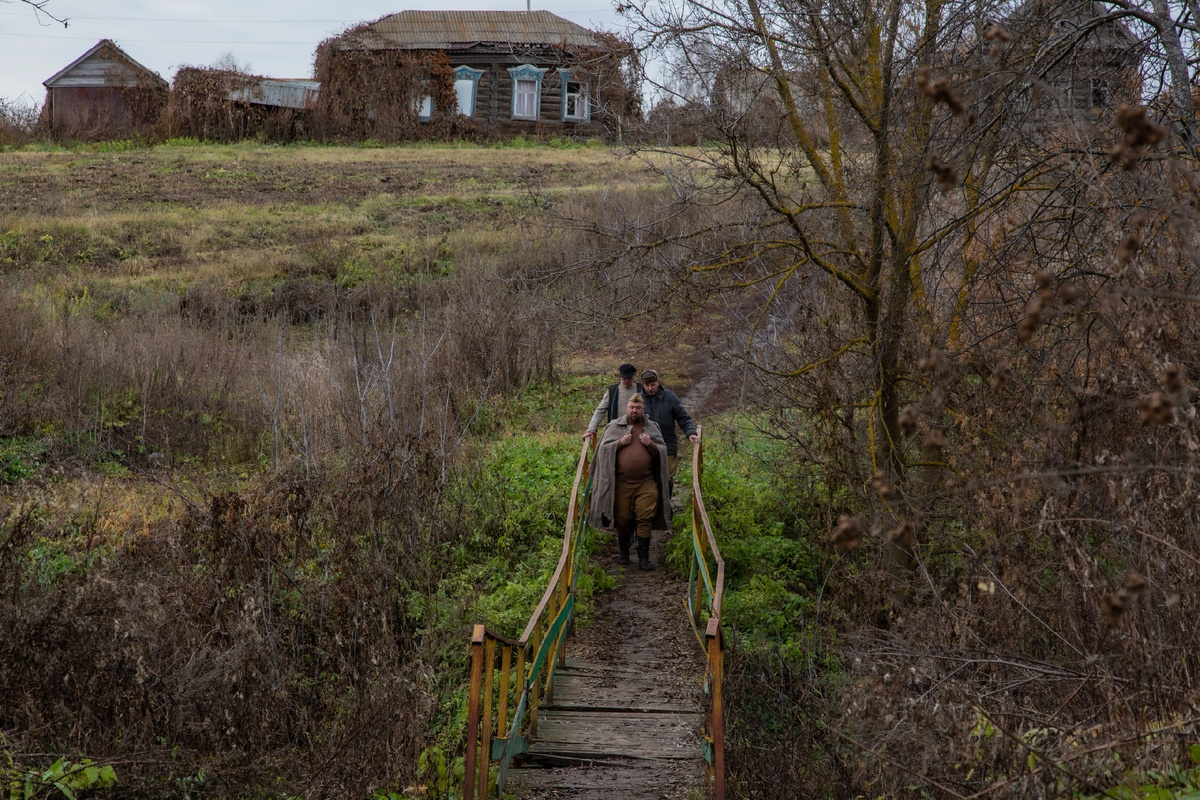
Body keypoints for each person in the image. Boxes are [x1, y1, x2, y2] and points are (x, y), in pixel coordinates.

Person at [589, 394, 671, 571]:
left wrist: (649, 444)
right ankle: (624, 554)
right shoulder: (614, 426)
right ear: (626, 408)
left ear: (643, 409)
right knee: (623, 518)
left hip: (646, 482)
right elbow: (603, 451)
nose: (634, 411)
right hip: (621, 483)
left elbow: (662, 453)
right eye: (632, 407)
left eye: (638, 408)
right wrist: (619, 443)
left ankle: (644, 558)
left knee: (645, 518)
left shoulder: (652, 427)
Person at [639, 369, 700, 480]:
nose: (650, 388)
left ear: (658, 382)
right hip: (645, 447)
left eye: (652, 384)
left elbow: (683, 417)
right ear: (643, 385)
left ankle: (668, 491)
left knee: (667, 478)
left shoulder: (669, 397)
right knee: (649, 480)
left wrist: (690, 432)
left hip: (668, 446)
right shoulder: (638, 399)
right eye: (647, 385)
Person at [583, 363, 643, 441]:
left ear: (634, 375)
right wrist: (591, 429)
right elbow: (600, 410)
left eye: (629, 378)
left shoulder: (641, 389)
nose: (626, 381)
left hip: (638, 431)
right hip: (616, 432)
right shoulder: (612, 391)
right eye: (624, 378)